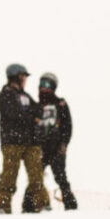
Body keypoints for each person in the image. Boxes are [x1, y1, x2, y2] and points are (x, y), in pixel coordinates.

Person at [0, 65, 49, 213]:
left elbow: (39, 109)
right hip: (12, 141)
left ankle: (43, 205)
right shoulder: (5, 94)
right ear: (14, 76)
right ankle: (3, 206)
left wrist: (30, 114)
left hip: (31, 141)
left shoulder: (26, 96)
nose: (25, 79)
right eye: (22, 76)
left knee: (36, 176)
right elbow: (14, 114)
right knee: (9, 176)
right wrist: (31, 116)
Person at [36, 74, 77, 210]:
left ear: (53, 87)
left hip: (56, 148)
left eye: (47, 85)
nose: (44, 88)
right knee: (35, 177)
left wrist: (64, 143)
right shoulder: (36, 106)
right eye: (42, 84)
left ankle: (70, 206)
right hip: (40, 148)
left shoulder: (61, 104)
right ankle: (30, 206)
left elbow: (68, 126)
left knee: (61, 178)